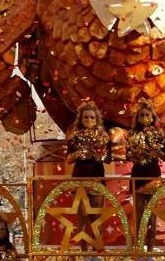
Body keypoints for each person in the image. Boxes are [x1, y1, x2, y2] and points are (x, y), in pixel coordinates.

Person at [66, 100, 110, 250]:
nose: (89, 120)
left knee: (96, 220)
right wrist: (78, 153)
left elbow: (109, 159)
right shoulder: (74, 137)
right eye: (86, 117)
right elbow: (68, 159)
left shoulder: (103, 137)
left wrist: (100, 152)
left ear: (97, 119)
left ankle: (97, 252)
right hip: (78, 179)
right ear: (81, 119)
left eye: (92, 117)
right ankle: (84, 254)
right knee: (82, 219)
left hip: (97, 179)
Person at [126, 98, 165, 248]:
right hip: (137, 176)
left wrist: (154, 147)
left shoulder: (158, 134)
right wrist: (136, 150)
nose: (144, 118)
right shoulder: (132, 134)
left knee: (152, 217)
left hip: (153, 177)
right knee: (138, 217)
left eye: (147, 115)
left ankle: (150, 251)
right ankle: (138, 251)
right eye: (141, 115)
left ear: (152, 118)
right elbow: (127, 156)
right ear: (137, 118)